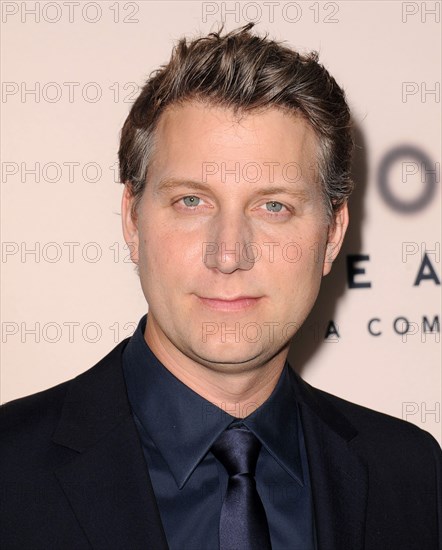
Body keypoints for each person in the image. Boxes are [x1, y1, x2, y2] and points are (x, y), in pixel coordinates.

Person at [0, 23, 440, 550]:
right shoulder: (9, 470)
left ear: (332, 236)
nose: (228, 254)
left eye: (273, 206)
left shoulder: (412, 477)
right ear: (133, 220)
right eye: (192, 201)